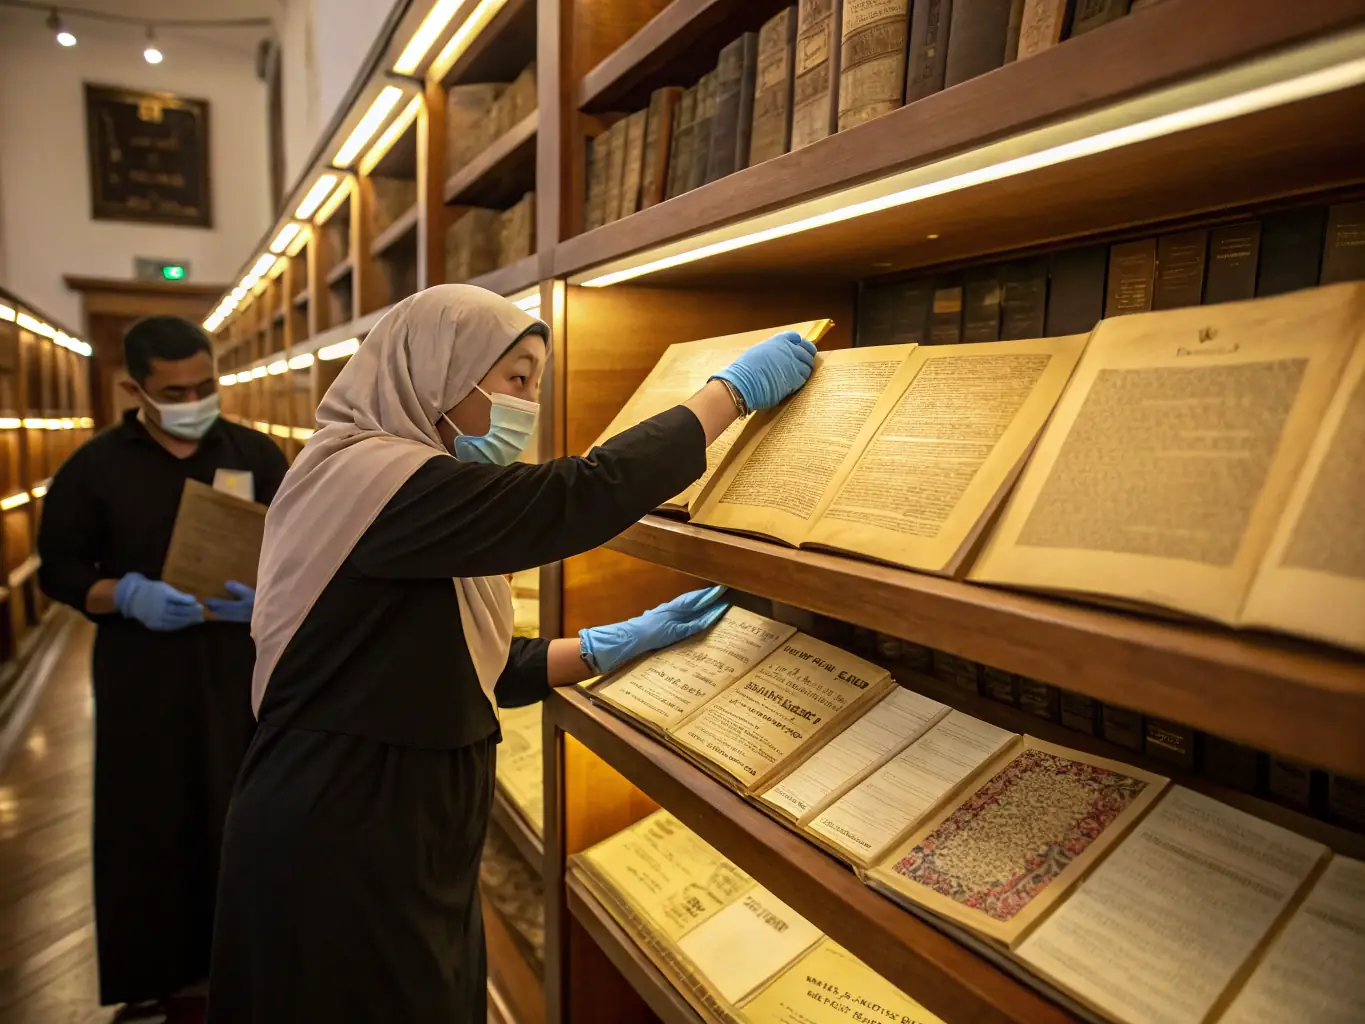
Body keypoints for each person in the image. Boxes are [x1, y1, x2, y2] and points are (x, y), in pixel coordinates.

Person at [206, 284, 816, 1022]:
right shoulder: (370, 477)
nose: (526, 404)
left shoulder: (390, 481)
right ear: (435, 370)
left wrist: (602, 649)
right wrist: (727, 395)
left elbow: (454, 665)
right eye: (515, 378)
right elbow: (576, 498)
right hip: (342, 833)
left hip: (394, 825)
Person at [38, 316, 290, 1023]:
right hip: (139, 673)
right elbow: (57, 568)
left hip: (237, 666)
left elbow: (303, 550)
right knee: (146, 819)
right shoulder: (94, 468)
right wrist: (121, 594)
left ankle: (246, 969)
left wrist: (265, 602)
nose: (195, 397)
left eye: (206, 383)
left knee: (241, 812)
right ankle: (154, 979)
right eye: (175, 389)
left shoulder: (256, 454)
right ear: (135, 388)